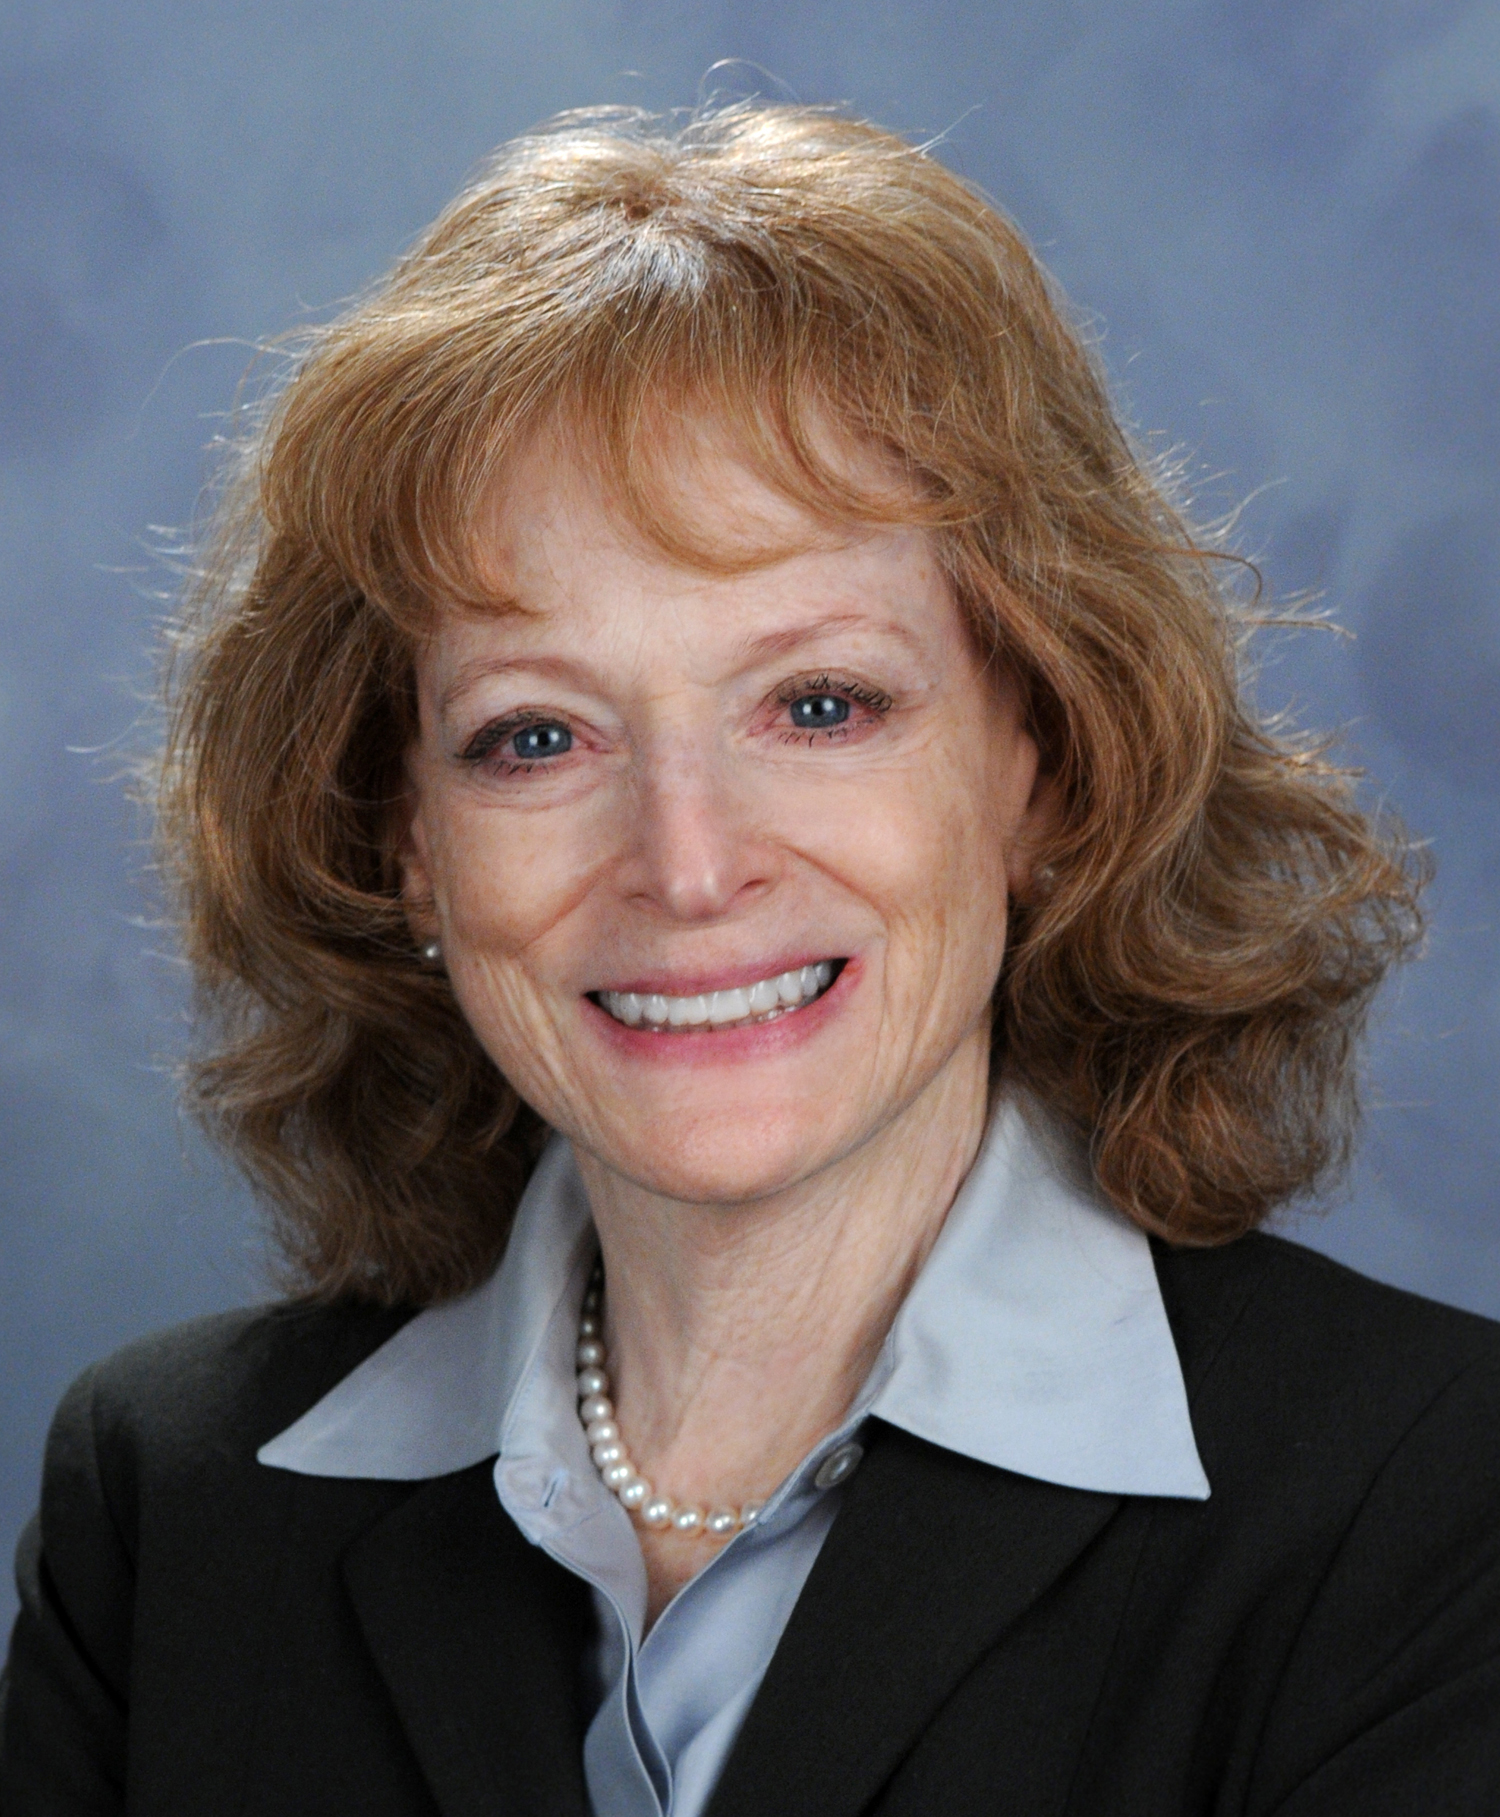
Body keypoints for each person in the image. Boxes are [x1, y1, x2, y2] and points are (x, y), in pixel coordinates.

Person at [2, 102, 1496, 1817]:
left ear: (1044, 763)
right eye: (535, 736)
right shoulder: (169, 1510)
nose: (689, 865)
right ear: (403, 833)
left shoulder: (1433, 1510)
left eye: (820, 704)